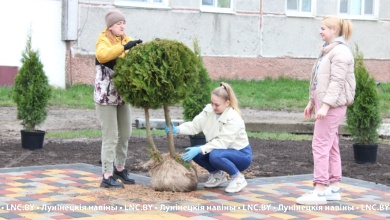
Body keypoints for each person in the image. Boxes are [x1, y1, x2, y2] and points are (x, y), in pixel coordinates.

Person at [296, 16, 355, 205]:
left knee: (320, 145)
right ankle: (334, 187)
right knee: (331, 145)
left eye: (323, 28)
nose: (320, 31)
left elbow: (337, 83)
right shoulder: (327, 51)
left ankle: (320, 190)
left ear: (334, 31)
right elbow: (319, 81)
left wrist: (326, 106)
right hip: (325, 105)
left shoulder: (340, 53)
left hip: (332, 107)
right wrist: (311, 103)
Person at [165, 82, 252, 193]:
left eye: (217, 105)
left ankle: (238, 177)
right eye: (212, 103)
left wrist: (200, 149)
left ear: (227, 103)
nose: (213, 107)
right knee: (195, 152)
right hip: (220, 150)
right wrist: (177, 129)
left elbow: (222, 142)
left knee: (214, 155)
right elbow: (195, 126)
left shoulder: (234, 118)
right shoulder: (209, 110)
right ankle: (217, 176)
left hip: (241, 155)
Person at [94, 9, 142, 188]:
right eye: (118, 23)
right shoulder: (103, 41)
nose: (122, 26)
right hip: (106, 97)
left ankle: (119, 168)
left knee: (125, 134)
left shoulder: (126, 39)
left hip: (122, 95)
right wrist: (124, 48)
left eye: (123, 23)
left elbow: (136, 52)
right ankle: (106, 175)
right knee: (111, 136)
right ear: (110, 27)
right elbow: (103, 56)